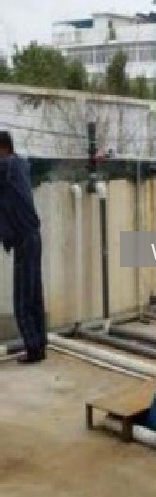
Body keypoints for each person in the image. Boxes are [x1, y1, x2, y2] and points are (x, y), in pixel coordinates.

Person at [0, 131, 46, 363]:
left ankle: (34, 349)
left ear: (3, 149)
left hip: (25, 240)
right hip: (32, 237)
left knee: (23, 299)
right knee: (34, 295)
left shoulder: (7, 166)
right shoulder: (19, 166)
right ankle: (39, 345)